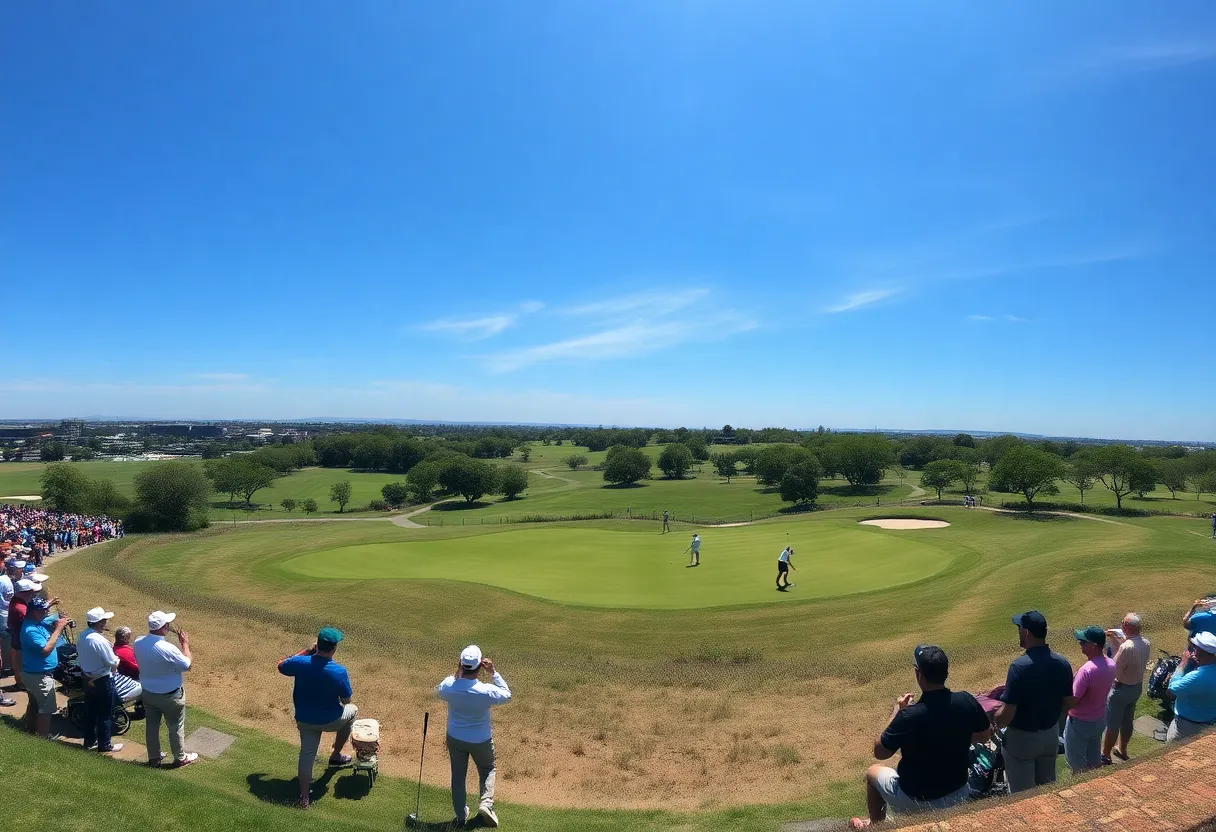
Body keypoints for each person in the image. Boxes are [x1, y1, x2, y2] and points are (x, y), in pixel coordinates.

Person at [850, 645, 991, 829]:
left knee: (872, 773)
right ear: (945, 672)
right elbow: (983, 736)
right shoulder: (966, 700)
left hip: (915, 800)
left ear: (919, 674)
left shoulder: (908, 716)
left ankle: (877, 826)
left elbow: (880, 751)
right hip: (958, 793)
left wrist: (896, 712)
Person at [994, 611, 1075, 793]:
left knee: (1024, 798)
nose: (1018, 631)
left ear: (1027, 633)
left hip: (1022, 741)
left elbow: (1007, 714)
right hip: (1050, 736)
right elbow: (1068, 702)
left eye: (1019, 628)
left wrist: (996, 720)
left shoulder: (1019, 667)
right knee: (1047, 792)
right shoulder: (1062, 662)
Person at [277, 627, 357, 809]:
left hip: (304, 720)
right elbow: (346, 700)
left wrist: (307, 651)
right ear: (334, 648)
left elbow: (281, 665)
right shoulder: (339, 671)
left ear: (317, 644)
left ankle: (304, 798)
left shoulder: (300, 662)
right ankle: (336, 755)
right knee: (352, 710)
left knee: (307, 754)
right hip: (331, 720)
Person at [436, 645, 512, 828]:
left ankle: (461, 815)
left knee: (458, 776)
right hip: (481, 739)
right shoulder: (485, 690)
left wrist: (458, 672)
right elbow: (507, 695)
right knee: (487, 769)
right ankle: (486, 804)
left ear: (460, 664)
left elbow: (441, 689)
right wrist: (493, 672)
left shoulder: (448, 687)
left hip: (455, 737)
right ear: (480, 667)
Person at [133, 610, 198, 767]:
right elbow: (187, 665)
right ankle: (180, 758)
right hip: (170, 696)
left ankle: (154, 758)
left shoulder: (138, 642)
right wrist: (185, 645)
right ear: (163, 627)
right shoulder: (167, 648)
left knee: (152, 725)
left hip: (148, 692)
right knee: (175, 726)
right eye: (166, 624)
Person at [1063, 626, 1116, 773]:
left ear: (1093, 646)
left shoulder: (1086, 670)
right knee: (1094, 761)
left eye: (1082, 642)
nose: (1080, 644)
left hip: (1080, 723)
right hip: (1099, 719)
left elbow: (1073, 701)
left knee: (1076, 764)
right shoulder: (1111, 664)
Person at [19, 596, 74, 738]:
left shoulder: (36, 621)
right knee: (46, 709)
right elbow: (45, 650)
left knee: (35, 704)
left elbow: (45, 617)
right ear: (33, 611)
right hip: (39, 676)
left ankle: (29, 729)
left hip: (34, 674)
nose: (45, 612)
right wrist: (59, 628)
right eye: (42, 610)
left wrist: (50, 606)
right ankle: (42, 737)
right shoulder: (31, 630)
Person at [1101, 613, 1151, 764]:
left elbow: (1113, 669)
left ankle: (1105, 755)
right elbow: (1131, 649)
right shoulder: (1146, 643)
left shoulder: (1125, 647)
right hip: (1136, 688)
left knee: (1112, 724)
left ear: (1127, 627)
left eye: (1123, 623)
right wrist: (1117, 640)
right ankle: (1122, 749)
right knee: (1127, 721)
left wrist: (1105, 652)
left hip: (1120, 690)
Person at [76, 606, 124, 753]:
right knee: (105, 713)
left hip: (88, 678)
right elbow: (111, 662)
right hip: (102, 680)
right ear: (98, 622)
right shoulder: (98, 640)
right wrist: (117, 660)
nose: (105, 623)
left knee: (91, 712)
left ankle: (89, 742)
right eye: (103, 620)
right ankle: (105, 745)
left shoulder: (83, 636)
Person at [1165, 631, 1216, 741]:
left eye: (1195, 648)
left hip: (1185, 728)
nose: (1193, 651)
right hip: (1208, 726)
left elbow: (1170, 692)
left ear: (1201, 652)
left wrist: (1182, 663)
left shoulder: (1196, 677)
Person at [1182, 596, 1216, 673]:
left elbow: (1185, 623)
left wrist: (1193, 607)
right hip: (1212, 654)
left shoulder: (1198, 617)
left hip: (1197, 651)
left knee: (1188, 670)